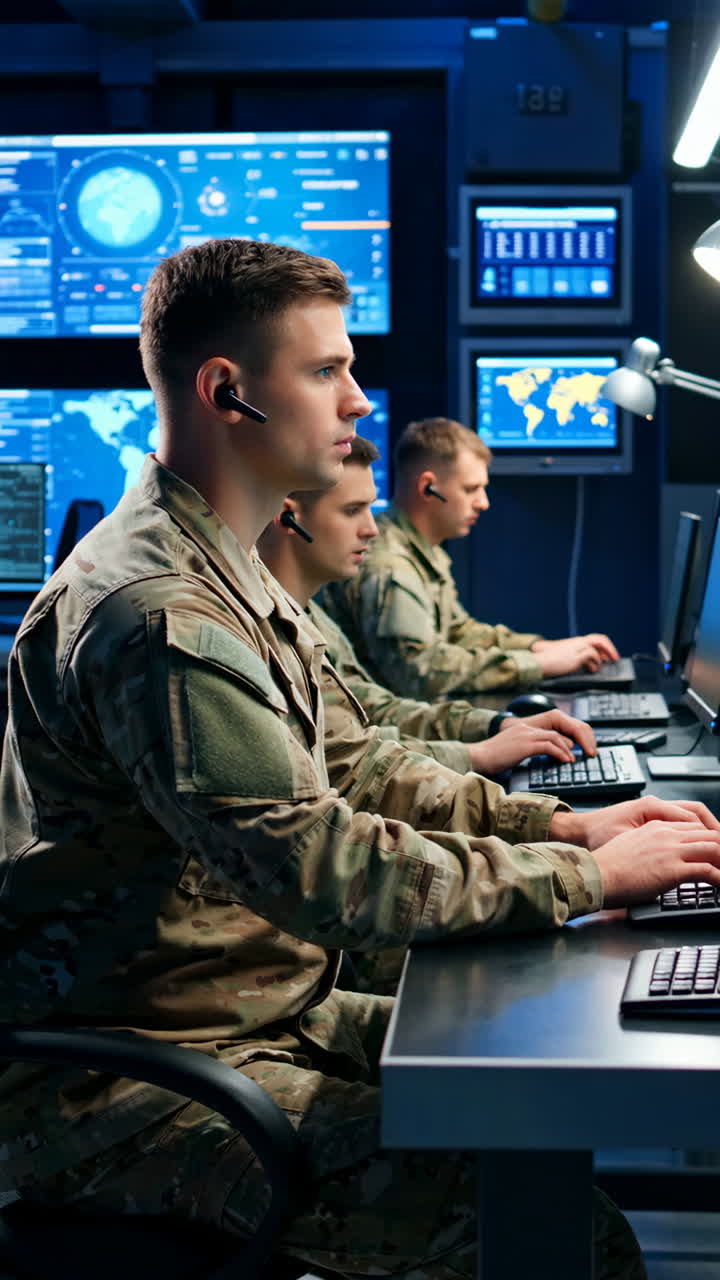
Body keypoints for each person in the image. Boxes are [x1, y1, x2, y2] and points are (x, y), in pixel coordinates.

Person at [2, 237, 720, 1280]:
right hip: (133, 1081)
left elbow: (368, 759)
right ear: (227, 391)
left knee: (520, 1069)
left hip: (243, 1007)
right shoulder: (161, 614)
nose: (356, 400)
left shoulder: (228, 571)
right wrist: (590, 875)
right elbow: (320, 867)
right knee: (555, 1230)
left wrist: (566, 826)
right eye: (327, 369)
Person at [257, 432, 599, 780]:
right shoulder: (384, 568)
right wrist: (477, 752)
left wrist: (496, 724)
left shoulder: (310, 614)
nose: (371, 530)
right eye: (352, 510)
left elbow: (372, 708)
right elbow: (412, 679)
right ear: (288, 518)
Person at [319, 416, 621, 700]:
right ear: (428, 487)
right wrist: (535, 664)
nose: (483, 503)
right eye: (471, 489)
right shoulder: (390, 566)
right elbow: (420, 672)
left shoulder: (420, 550)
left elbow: (458, 631)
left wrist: (542, 648)